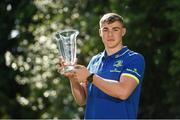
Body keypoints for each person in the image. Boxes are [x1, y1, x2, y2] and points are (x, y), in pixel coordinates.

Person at [59, 13, 145, 119]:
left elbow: (123, 92)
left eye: (115, 29)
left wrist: (90, 77)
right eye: (105, 29)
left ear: (123, 31)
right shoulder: (95, 60)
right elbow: (82, 100)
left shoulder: (134, 58)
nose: (110, 34)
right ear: (100, 32)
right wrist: (72, 77)